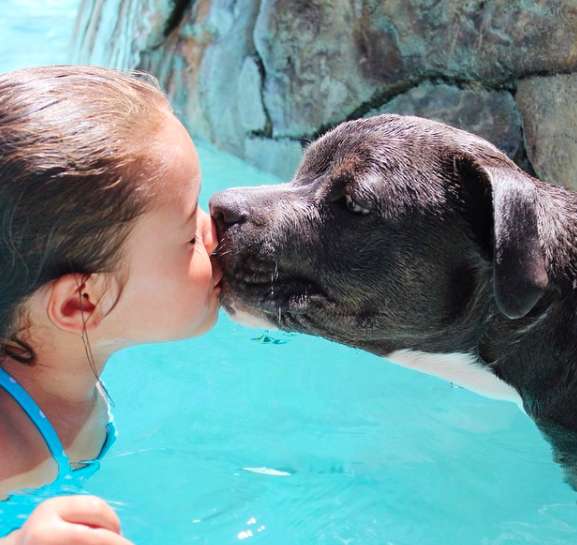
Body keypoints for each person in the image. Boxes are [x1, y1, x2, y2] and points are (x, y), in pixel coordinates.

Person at [0, 65, 222, 543]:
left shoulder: (58, 362)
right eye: (188, 235)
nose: (214, 229)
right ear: (82, 303)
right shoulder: (6, 446)